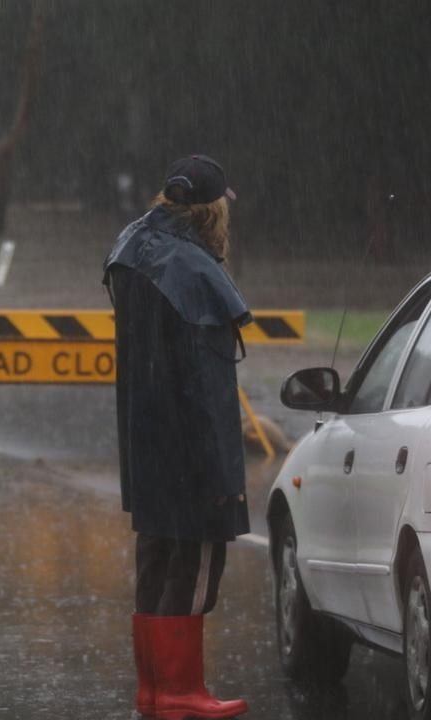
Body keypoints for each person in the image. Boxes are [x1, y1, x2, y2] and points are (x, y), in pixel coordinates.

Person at [103, 155, 252, 719]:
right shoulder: (193, 272)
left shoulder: (130, 250)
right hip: (193, 452)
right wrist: (224, 477)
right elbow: (210, 388)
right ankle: (181, 691)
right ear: (213, 211)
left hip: (147, 441)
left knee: (156, 556)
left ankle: (152, 690)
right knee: (192, 568)